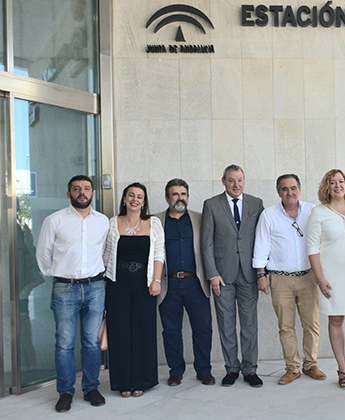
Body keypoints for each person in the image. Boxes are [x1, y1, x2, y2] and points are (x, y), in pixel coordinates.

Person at [36, 175, 109, 412]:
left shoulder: (103, 221)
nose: (82, 192)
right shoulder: (54, 220)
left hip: (95, 288)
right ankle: (65, 391)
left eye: (86, 188)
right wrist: (57, 274)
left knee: (90, 341)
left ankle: (91, 388)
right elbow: (43, 253)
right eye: (76, 189)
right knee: (65, 343)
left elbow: (107, 251)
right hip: (64, 288)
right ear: (69, 194)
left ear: (93, 194)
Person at [253, 174, 326, 385]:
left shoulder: (313, 211)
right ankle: (292, 367)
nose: (289, 192)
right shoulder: (269, 215)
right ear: (279, 193)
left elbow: (323, 241)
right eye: (285, 189)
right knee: (286, 326)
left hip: (308, 276)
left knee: (311, 323)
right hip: (280, 278)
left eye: (293, 188)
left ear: (299, 190)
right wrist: (261, 275)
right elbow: (261, 245)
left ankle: (310, 364)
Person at [202, 165, 265, 387]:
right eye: (231, 180)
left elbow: (262, 239)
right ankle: (231, 368)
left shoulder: (256, 203)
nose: (236, 184)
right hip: (223, 276)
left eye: (239, 180)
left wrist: (261, 273)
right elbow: (206, 242)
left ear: (244, 180)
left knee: (249, 325)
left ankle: (250, 369)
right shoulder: (211, 205)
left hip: (249, 275)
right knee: (226, 324)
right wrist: (212, 274)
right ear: (223, 181)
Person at [307, 169, 345, 390]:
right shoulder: (318, 213)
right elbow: (312, 249)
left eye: (341, 181)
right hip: (331, 277)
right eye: (332, 182)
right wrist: (320, 278)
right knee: (336, 321)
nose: (337, 186)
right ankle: (342, 369)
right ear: (326, 187)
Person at [103, 182, 165, 397]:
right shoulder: (113, 223)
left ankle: (141, 380)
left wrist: (156, 280)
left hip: (144, 285)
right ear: (124, 199)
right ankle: (122, 383)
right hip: (117, 284)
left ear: (144, 201)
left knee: (143, 332)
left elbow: (159, 254)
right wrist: (104, 282)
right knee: (119, 332)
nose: (135, 199)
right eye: (131, 195)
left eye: (140, 196)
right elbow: (106, 255)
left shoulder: (153, 223)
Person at [154, 179, 214, 387]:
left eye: (183, 194)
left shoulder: (200, 218)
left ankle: (204, 370)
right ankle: (176, 371)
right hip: (167, 284)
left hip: (195, 282)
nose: (180, 198)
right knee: (170, 330)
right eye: (175, 194)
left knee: (203, 328)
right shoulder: (156, 221)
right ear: (167, 197)